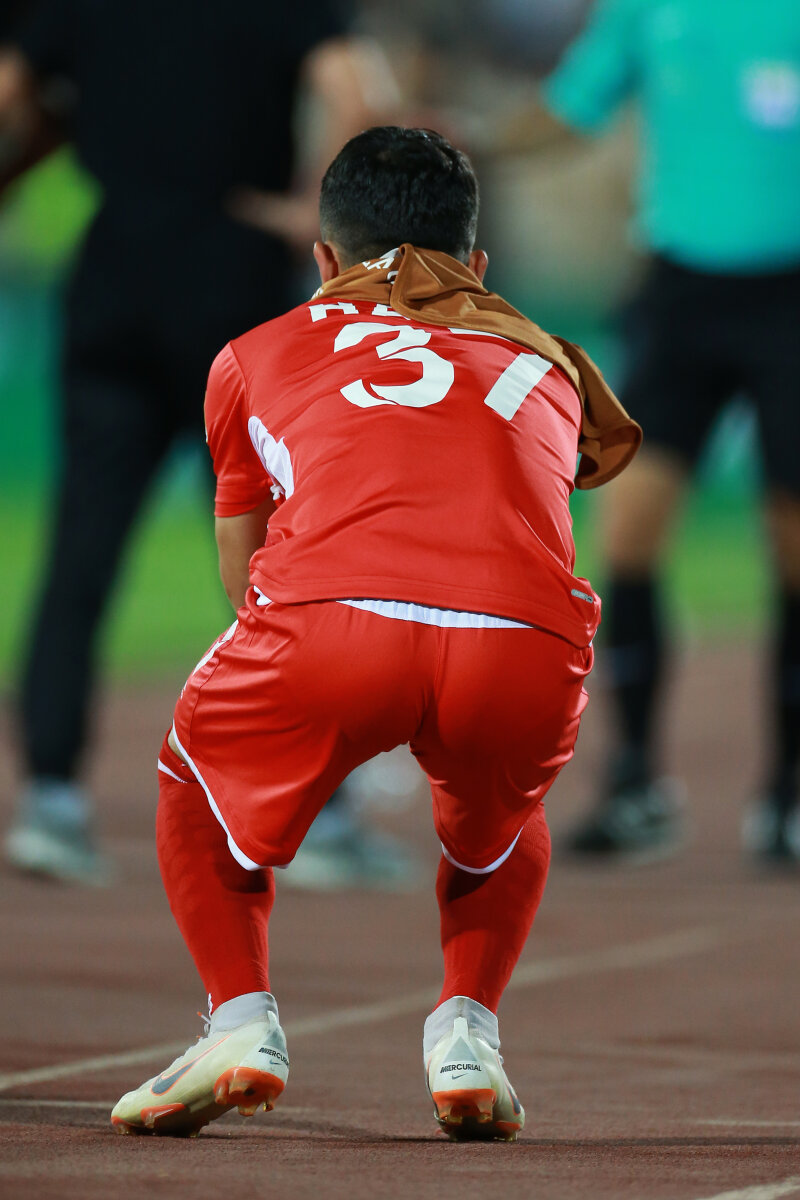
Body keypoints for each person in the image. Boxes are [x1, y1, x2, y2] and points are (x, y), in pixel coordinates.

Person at [110, 125, 640, 1141]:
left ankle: (240, 1023)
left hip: (330, 623)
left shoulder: (250, 355)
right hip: (523, 639)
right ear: (476, 264)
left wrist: (317, 702)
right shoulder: (547, 363)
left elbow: (245, 569)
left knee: (193, 772)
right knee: (497, 825)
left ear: (322, 258)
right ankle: (466, 1038)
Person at [0, 0, 399, 885]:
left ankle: (51, 803)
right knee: (284, 559)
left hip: (112, 272)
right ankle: (315, 818)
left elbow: (10, 93)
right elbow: (357, 97)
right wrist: (320, 215)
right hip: (231, 273)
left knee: (80, 552)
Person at [534, 0, 800, 861]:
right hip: (680, 295)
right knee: (629, 531)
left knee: (793, 547)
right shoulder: (646, 9)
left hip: (790, 298)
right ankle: (635, 784)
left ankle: (788, 796)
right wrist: (451, 149)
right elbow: (565, 111)